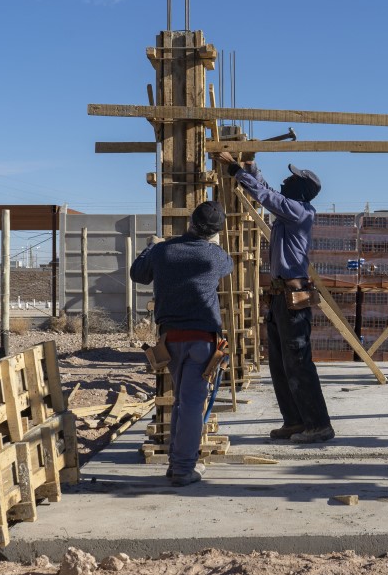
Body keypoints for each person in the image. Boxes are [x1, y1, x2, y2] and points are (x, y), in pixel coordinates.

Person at [217, 153, 334, 444]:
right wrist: (249, 167)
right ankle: (295, 421)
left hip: (294, 297)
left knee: (298, 360)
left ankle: (319, 424)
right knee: (280, 363)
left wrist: (234, 170)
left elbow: (266, 196)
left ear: (301, 189)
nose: (286, 180)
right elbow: (266, 188)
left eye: (292, 178)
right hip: (282, 297)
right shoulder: (289, 210)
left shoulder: (299, 211)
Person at [130, 200, 233, 486]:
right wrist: (214, 244)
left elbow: (137, 273)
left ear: (190, 221)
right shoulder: (213, 256)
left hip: (171, 341)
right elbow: (229, 266)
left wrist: (153, 246)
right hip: (202, 341)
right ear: (214, 232)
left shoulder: (163, 252)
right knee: (190, 405)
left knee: (180, 402)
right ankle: (184, 468)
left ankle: (178, 464)